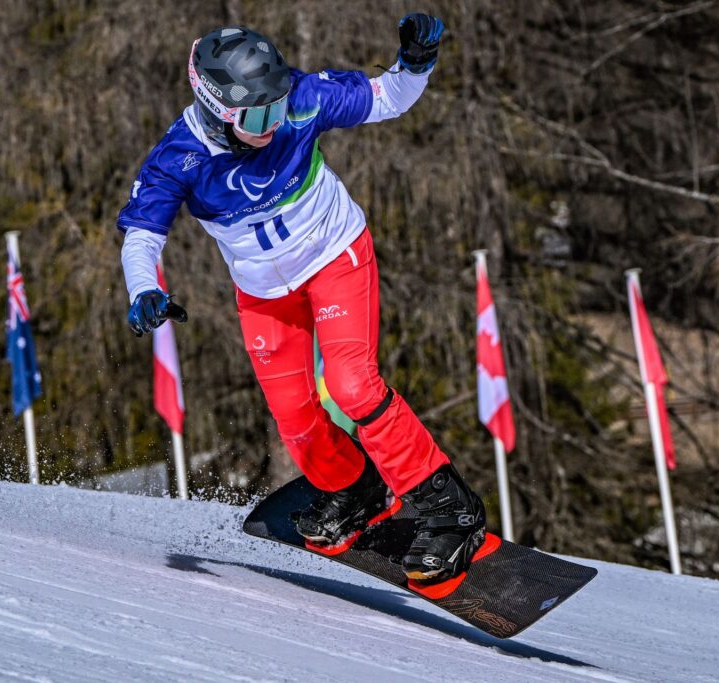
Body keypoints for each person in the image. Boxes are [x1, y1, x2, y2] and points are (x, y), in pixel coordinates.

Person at [117, 14, 486, 583]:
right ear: (218, 113)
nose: (274, 121)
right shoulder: (179, 159)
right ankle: (352, 488)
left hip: (336, 257)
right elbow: (143, 234)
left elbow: (388, 96)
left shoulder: (300, 100)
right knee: (293, 416)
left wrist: (415, 62)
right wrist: (145, 289)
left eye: (277, 105)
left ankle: (450, 510)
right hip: (265, 294)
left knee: (352, 384)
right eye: (258, 115)